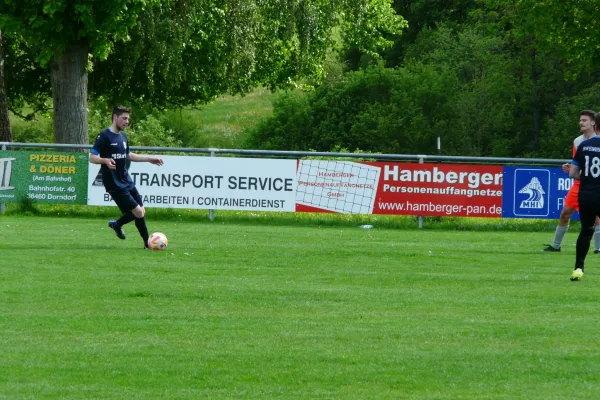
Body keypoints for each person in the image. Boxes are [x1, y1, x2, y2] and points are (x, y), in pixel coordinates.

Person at [89, 105, 164, 249]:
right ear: (115, 117)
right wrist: (105, 160)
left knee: (141, 211)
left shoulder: (123, 136)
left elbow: (129, 155)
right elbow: (92, 157)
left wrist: (149, 159)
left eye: (128, 119)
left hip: (125, 179)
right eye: (124, 118)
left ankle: (117, 224)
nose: (126, 121)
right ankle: (147, 244)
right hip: (113, 182)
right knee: (138, 212)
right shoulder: (104, 136)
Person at [543, 110, 600, 252]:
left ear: (593, 122)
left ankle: (598, 249)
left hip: (594, 184)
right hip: (580, 183)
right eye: (580, 120)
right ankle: (556, 246)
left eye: (584, 120)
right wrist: (569, 166)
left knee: (596, 217)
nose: (581, 123)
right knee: (565, 213)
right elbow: (578, 162)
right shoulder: (578, 141)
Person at [568, 121, 600, 280]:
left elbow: (573, 173)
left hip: (587, 195)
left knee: (586, 230)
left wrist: (588, 177)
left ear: (595, 127)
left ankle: (578, 269)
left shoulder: (584, 146)